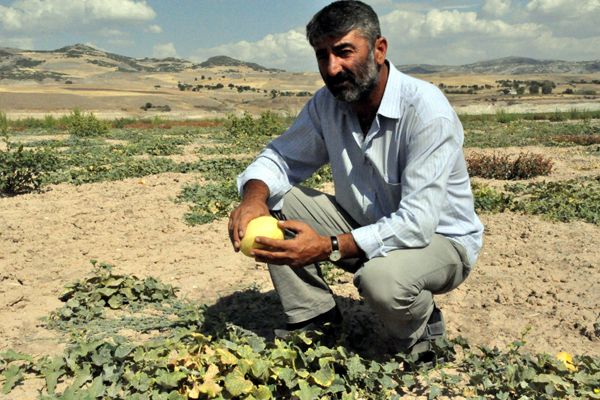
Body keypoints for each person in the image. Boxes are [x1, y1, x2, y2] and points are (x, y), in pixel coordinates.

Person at [228, 0, 484, 358]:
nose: (332, 69)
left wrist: (329, 246)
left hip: (438, 242)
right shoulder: (327, 105)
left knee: (381, 280)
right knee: (272, 199)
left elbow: (417, 223)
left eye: (344, 52)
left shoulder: (427, 112)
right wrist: (253, 199)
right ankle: (314, 320)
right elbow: (280, 157)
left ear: (379, 50)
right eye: (322, 55)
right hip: (366, 223)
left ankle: (424, 332)